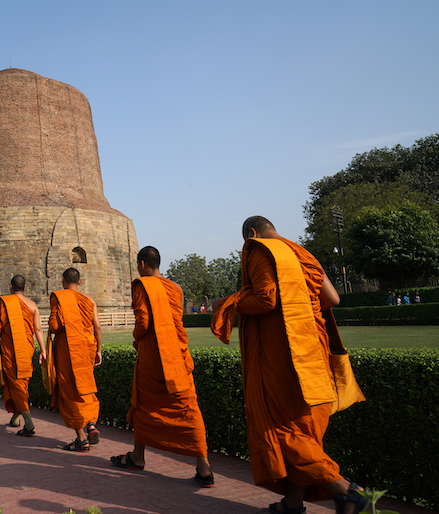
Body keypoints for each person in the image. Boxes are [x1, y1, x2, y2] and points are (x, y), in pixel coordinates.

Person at [210, 216, 368, 514]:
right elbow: (332, 298)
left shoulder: (260, 249)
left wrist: (227, 303)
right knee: (304, 428)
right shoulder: (301, 252)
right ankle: (293, 503)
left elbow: (266, 299)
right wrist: (300, 310)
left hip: (283, 356)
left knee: (279, 427)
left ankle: (344, 489)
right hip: (313, 353)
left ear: (252, 234)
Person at [110, 246, 214, 488]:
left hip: (153, 358)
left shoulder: (141, 285)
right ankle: (203, 466)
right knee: (187, 406)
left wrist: (136, 337)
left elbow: (143, 322)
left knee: (144, 404)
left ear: (143, 264)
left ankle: (138, 456)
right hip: (177, 356)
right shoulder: (175, 288)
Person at [48, 268, 103, 452]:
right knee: (85, 386)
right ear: (79, 282)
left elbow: (55, 326)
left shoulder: (59, 297)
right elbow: (97, 328)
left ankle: (81, 439)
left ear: (62, 280)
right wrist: (99, 350)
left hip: (68, 350)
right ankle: (91, 424)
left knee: (70, 391)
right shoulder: (89, 300)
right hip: (87, 348)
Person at [0, 275, 46, 436]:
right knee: (22, 381)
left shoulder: (4, 302)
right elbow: (37, 330)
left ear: (10, 287)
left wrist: (7, 333)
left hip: (10, 348)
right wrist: (42, 350)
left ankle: (28, 421)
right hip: (27, 348)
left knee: (15, 382)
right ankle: (16, 416)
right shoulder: (33, 305)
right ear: (25, 288)